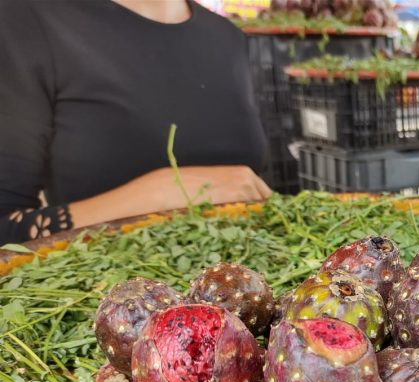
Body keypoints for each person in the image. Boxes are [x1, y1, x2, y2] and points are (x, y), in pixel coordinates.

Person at [0, 0, 271, 245]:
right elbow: (5, 230)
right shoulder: (26, 21)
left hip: (243, 288)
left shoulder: (226, 36)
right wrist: (158, 196)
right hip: (111, 293)